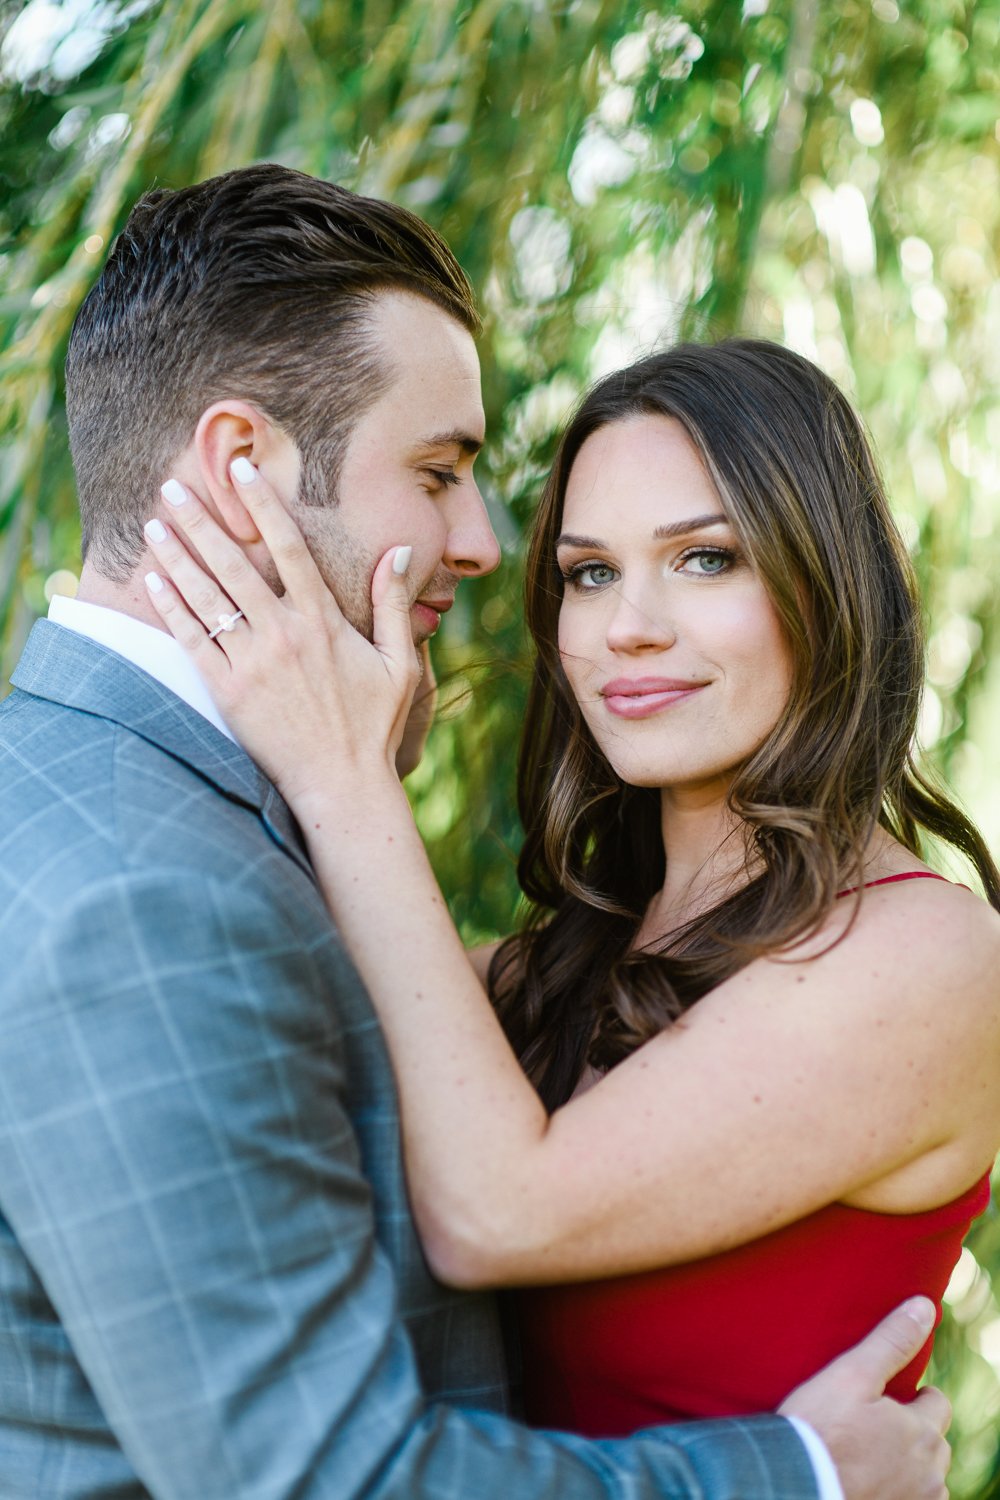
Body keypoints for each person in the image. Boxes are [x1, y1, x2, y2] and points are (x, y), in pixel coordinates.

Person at [0, 163, 950, 1500]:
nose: (488, 547)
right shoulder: (159, 901)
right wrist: (803, 1475)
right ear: (242, 468)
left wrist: (346, 787)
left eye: (709, 556)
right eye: (443, 472)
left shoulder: (120, 809)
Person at [139, 330, 1000, 1454]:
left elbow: (494, 1216)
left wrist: (346, 777)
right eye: (589, 574)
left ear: (824, 579)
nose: (627, 624)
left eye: (706, 558)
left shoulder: (929, 954)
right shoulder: (545, 972)